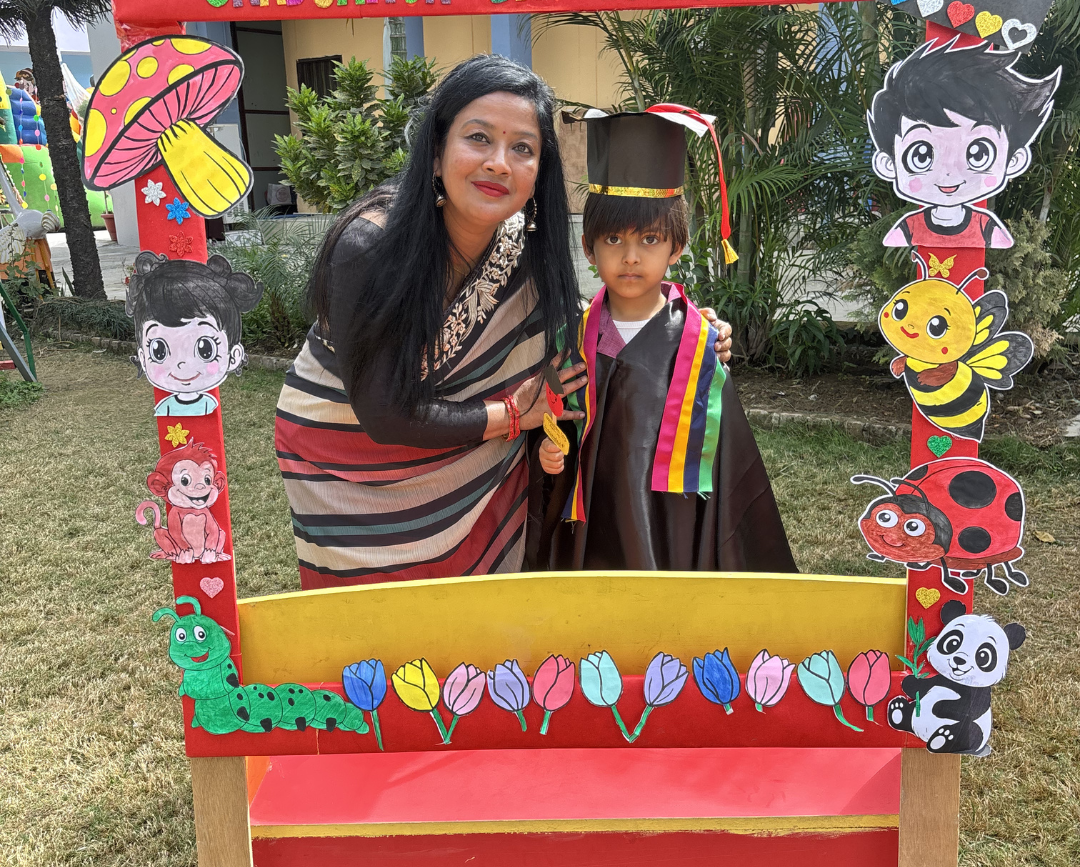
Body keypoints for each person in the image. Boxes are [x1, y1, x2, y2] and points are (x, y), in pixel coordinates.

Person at [275, 56, 733, 588]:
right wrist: (514, 415)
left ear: (539, 173)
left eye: (523, 148)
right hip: (347, 472)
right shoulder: (369, 246)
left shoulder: (526, 252)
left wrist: (677, 329)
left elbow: (580, 332)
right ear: (436, 152)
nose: (499, 163)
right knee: (375, 634)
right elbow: (383, 415)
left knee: (478, 630)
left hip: (479, 484)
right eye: (478, 138)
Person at [529, 110, 795, 572]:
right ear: (589, 247)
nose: (631, 257)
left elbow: (726, 466)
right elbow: (554, 427)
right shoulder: (570, 339)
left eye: (650, 239)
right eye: (614, 238)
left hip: (674, 528)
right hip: (592, 527)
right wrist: (548, 454)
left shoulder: (698, 344)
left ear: (677, 245)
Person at [869, 39, 1059, 251]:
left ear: (1014, 160)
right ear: (888, 164)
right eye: (921, 156)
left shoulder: (986, 228)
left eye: (979, 154)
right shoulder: (908, 228)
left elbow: (1001, 245)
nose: (949, 173)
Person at [126, 252, 263, 417]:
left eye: (205, 350)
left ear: (233, 356)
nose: (182, 364)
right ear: (143, 358)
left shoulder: (209, 406)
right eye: (158, 351)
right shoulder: (164, 408)